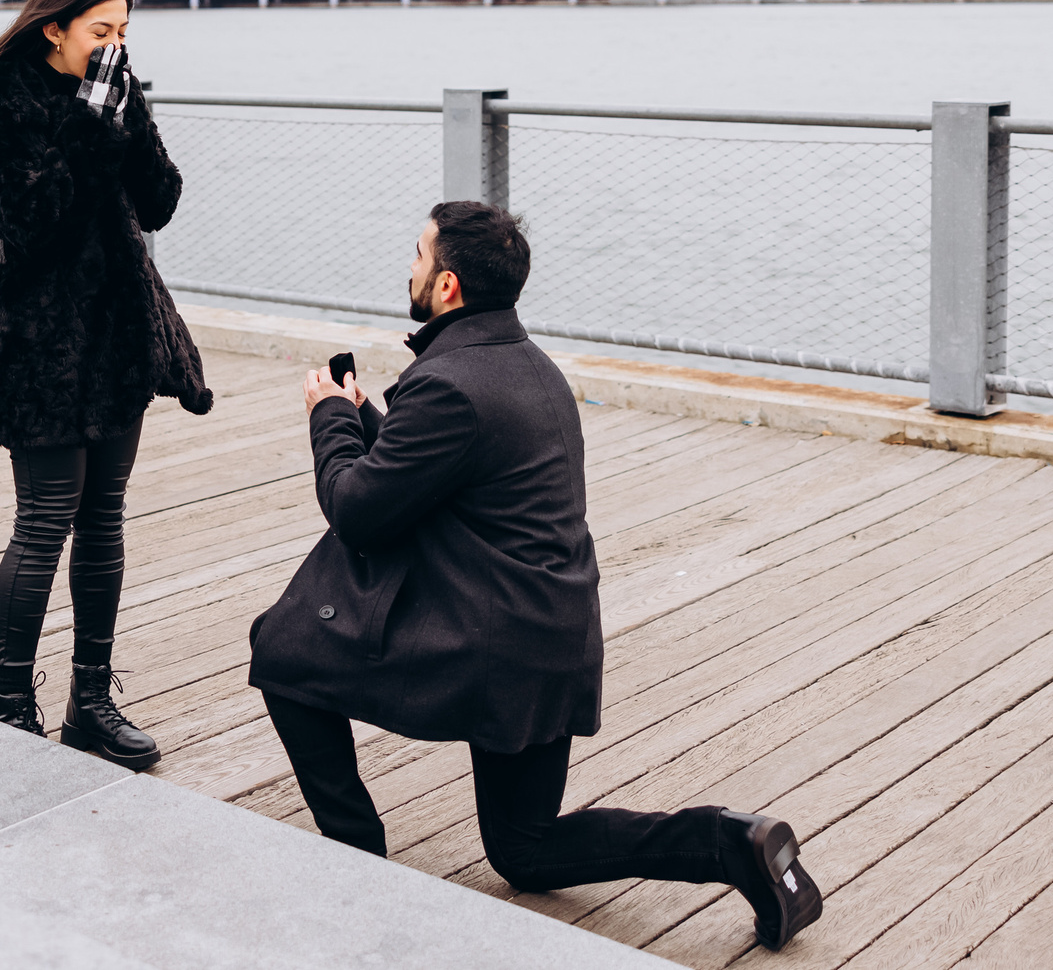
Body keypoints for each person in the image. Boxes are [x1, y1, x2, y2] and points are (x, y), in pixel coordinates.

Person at [248, 201, 822, 951]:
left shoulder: (448, 382)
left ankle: (357, 856)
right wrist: (365, 421)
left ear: (447, 286)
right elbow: (438, 479)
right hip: (553, 640)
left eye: (419, 257)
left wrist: (327, 415)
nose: (410, 268)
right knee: (525, 849)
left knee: (284, 652)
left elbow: (359, 510)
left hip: (489, 645)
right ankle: (726, 842)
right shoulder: (530, 368)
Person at [0, 0, 212, 770]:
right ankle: (9, 707)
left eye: (123, 32)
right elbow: (30, 228)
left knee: (104, 521)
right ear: (53, 28)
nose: (113, 46)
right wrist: (95, 119)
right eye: (101, 32)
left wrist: (123, 114)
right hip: (37, 343)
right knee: (44, 522)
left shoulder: (113, 90)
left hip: (117, 336)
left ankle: (91, 703)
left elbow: (160, 199)